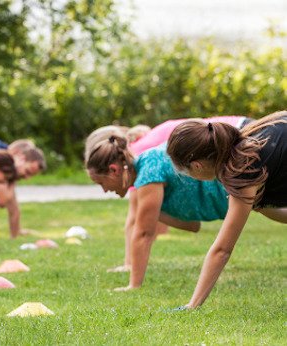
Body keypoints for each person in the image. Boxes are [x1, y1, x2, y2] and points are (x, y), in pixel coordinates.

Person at [85, 116, 252, 273]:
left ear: (111, 166)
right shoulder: (134, 157)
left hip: (238, 134)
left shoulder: (139, 157)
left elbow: (137, 222)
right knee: (263, 201)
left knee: (261, 195)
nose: (104, 190)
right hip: (231, 134)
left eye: (101, 183)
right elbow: (189, 224)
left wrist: (130, 265)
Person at [166, 110, 287, 309]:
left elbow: (222, 250)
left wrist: (192, 305)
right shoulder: (249, 139)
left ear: (197, 166)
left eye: (186, 172)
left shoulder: (243, 168)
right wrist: (258, 204)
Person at [85, 135, 229, 291]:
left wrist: (134, 285)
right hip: (233, 195)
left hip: (233, 187)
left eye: (101, 183)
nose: (105, 191)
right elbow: (192, 225)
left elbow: (143, 234)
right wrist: (152, 213)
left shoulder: (149, 172)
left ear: (114, 170)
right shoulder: (148, 165)